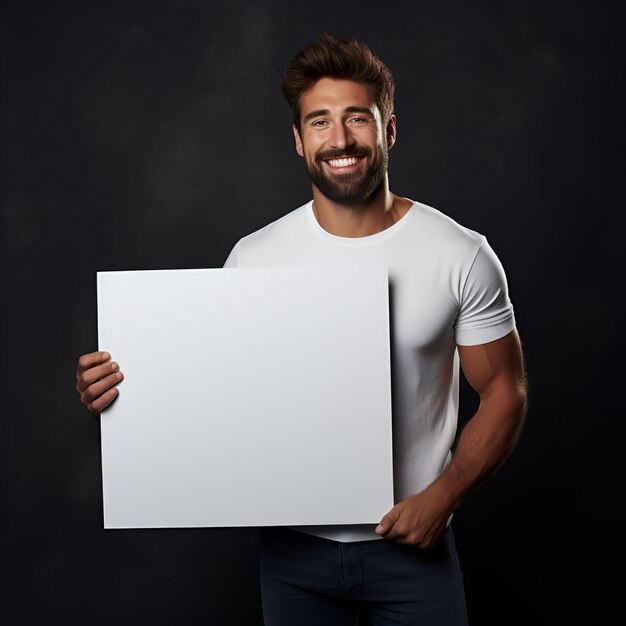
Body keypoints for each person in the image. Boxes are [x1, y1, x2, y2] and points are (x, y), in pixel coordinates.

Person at [76, 34, 527, 626]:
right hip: (292, 558)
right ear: (298, 139)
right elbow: (215, 395)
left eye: (356, 119)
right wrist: (118, 393)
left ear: (388, 130)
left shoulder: (459, 254)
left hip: (412, 547)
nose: (339, 140)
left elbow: (505, 392)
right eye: (320, 121)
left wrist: (443, 499)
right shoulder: (255, 256)